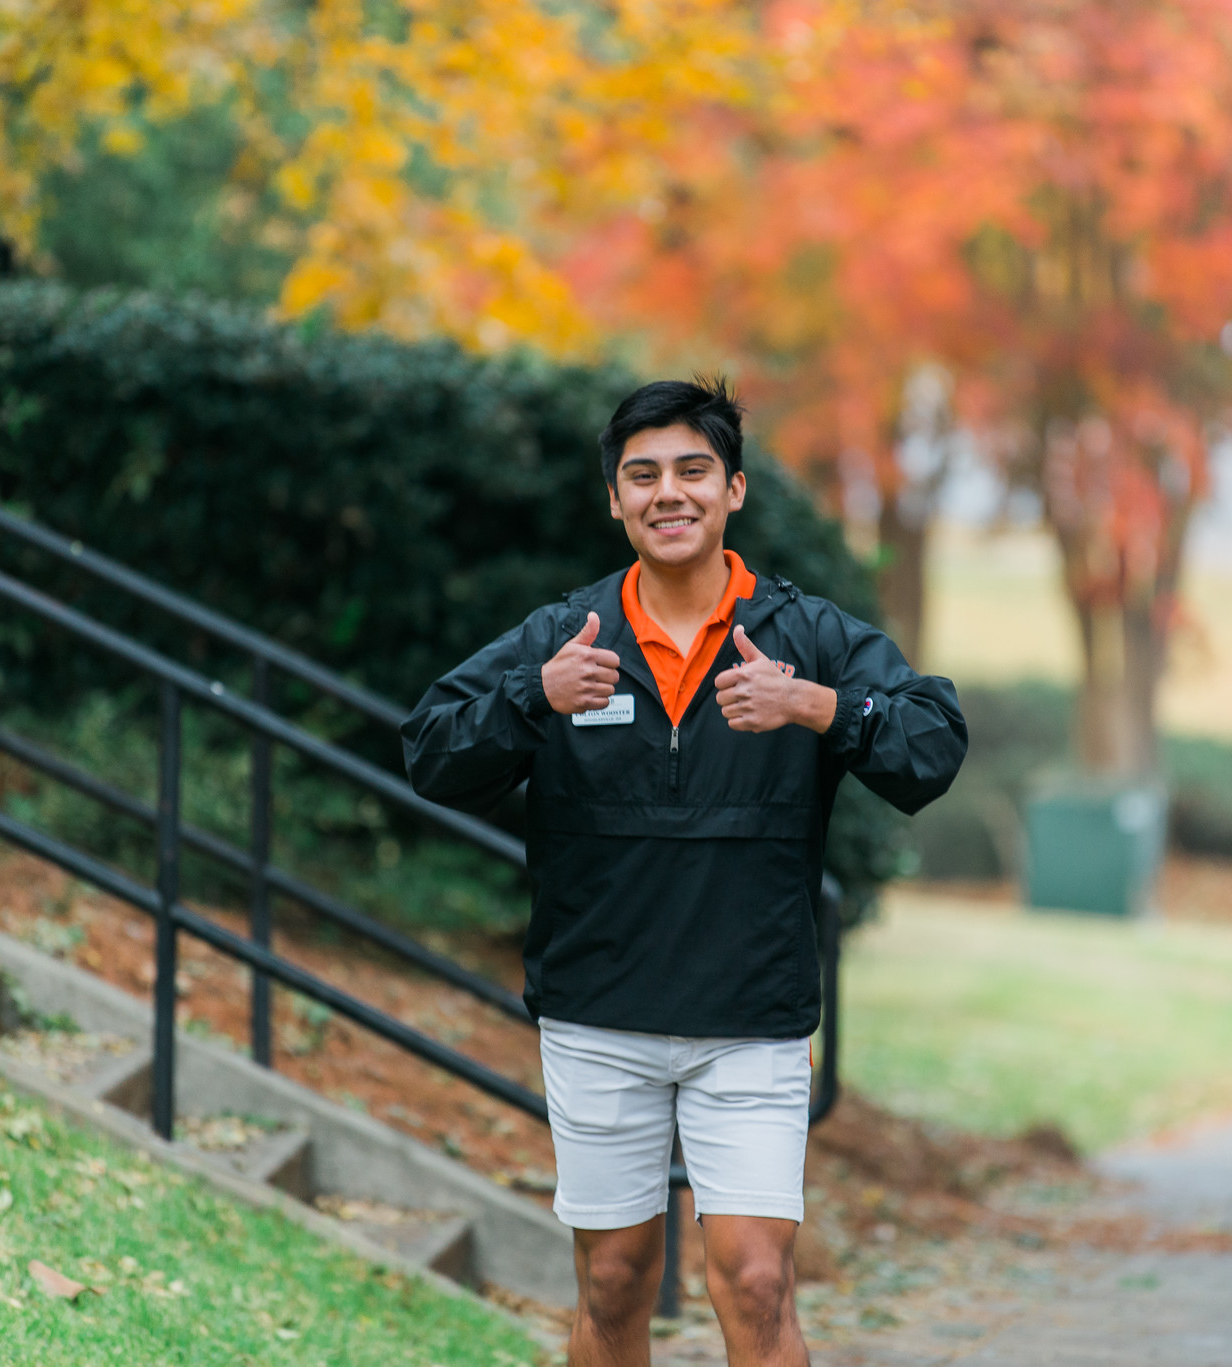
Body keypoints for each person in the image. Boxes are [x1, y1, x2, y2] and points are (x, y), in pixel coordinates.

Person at [400, 377, 966, 1367]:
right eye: (642, 474)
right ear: (613, 501)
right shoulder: (564, 637)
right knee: (613, 1285)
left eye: (692, 470)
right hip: (596, 1011)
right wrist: (534, 697)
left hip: (749, 1018)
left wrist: (817, 709)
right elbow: (430, 751)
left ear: (734, 491)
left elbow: (932, 742)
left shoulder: (806, 637)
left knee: (753, 1279)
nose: (669, 492)